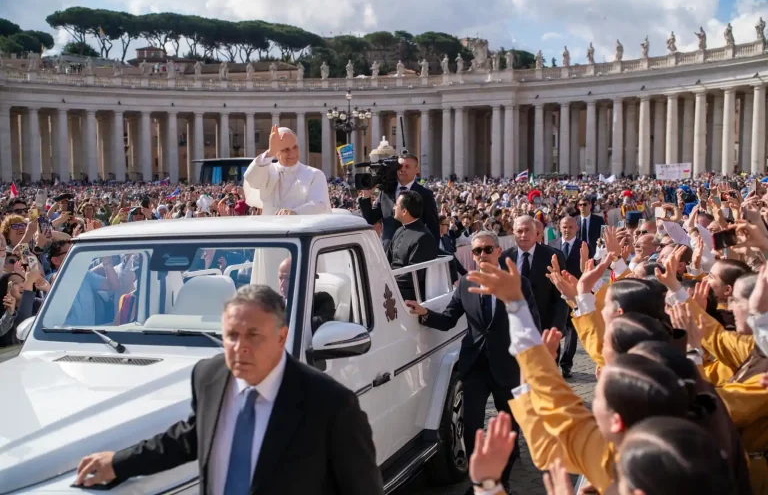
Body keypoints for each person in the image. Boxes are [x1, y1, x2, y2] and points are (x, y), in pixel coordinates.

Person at [74, 285, 383, 495]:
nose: (240, 348)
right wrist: (119, 462)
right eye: (231, 335)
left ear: (281, 337)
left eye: (253, 335)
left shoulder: (330, 405)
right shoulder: (209, 376)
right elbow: (193, 436)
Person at [404, 230, 540, 492]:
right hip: (475, 365)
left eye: (488, 249)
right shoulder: (465, 283)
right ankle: (480, 479)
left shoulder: (518, 282)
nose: (482, 255)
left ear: (499, 251)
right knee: (471, 428)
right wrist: (424, 313)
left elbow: (531, 322)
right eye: (477, 251)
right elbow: (448, 319)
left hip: (508, 366)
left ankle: (503, 480)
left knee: (509, 428)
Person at [499, 215, 568, 334]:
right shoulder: (504, 258)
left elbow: (561, 298)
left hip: (545, 329)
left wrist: (556, 329)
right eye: (519, 231)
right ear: (513, 234)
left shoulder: (553, 256)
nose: (523, 235)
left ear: (536, 232)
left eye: (527, 230)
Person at [243, 125, 331, 216]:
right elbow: (252, 180)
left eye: (295, 147)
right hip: (270, 227)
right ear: (276, 152)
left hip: (301, 228)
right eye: (286, 149)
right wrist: (270, 153)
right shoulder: (267, 170)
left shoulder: (314, 174)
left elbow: (320, 205)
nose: (292, 153)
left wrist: (295, 213)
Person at [358, 152, 439, 249]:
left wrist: (432, 253)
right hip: (388, 252)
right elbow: (370, 219)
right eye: (400, 166)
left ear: (416, 170)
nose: (402, 169)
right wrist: (366, 196)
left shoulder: (425, 194)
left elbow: (433, 227)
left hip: (414, 251)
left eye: (407, 167)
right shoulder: (386, 193)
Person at [386, 191, 438, 301]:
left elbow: (413, 276)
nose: (394, 207)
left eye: (396, 205)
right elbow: (387, 260)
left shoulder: (423, 237)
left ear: (404, 211)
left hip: (407, 295)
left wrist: (387, 279)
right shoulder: (399, 231)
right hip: (391, 284)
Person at [552, 215, 582, 377]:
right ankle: (553, 363)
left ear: (576, 228)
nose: (567, 230)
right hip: (556, 296)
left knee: (572, 331)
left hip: (574, 294)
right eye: (564, 226)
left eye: (570, 227)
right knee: (556, 329)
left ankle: (566, 363)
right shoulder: (553, 245)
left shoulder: (583, 246)